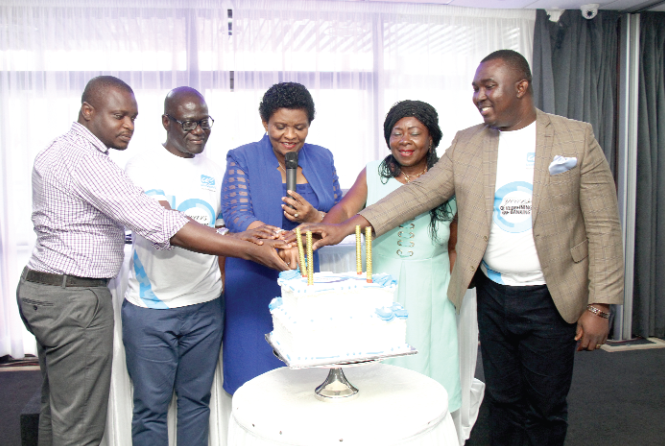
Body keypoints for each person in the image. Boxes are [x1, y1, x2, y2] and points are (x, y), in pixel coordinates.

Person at [305, 50, 624, 446]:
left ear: (521, 86)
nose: (478, 96)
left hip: (551, 296)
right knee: (503, 401)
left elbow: (604, 226)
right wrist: (348, 227)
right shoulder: (469, 142)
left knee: (545, 406)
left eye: (488, 86)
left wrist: (600, 305)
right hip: (493, 295)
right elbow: (418, 193)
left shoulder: (575, 137)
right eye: (475, 88)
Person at [16, 76, 289, 446]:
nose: (128, 125)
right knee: (79, 426)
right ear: (87, 111)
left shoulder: (70, 152)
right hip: (79, 300)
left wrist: (242, 235)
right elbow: (160, 224)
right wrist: (247, 249)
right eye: (118, 116)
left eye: (132, 117)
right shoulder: (89, 160)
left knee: (60, 412)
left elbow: (220, 220)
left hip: (62, 291)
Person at [322, 100, 461, 412]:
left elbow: (455, 244)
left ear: (432, 139)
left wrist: (453, 293)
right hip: (382, 284)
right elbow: (345, 209)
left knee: (431, 360)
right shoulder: (373, 173)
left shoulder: (449, 181)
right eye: (397, 133)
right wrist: (325, 228)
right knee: (383, 368)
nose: (405, 140)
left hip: (434, 289)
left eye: (414, 133)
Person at [121, 87, 228, 446]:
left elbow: (226, 232)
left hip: (205, 306)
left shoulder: (217, 171)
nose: (199, 130)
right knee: (151, 408)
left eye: (204, 122)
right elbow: (165, 223)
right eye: (188, 123)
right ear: (166, 122)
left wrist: (223, 280)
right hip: (153, 311)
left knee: (196, 402)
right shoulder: (142, 166)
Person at [221, 82, 343, 394]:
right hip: (253, 278)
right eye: (280, 126)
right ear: (264, 123)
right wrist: (281, 240)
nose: (290, 135)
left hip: (303, 278)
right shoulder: (242, 157)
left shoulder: (323, 157)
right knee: (255, 382)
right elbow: (237, 215)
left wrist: (314, 216)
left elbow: (341, 212)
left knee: (303, 384)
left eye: (299, 127)